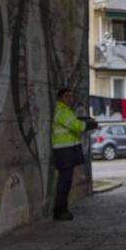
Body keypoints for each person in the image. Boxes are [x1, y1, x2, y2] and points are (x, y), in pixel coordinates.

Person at [51, 87, 86, 221]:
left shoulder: (64, 110)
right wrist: (87, 124)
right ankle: (60, 211)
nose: (70, 99)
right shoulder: (62, 111)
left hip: (66, 150)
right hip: (63, 151)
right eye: (67, 97)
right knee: (64, 182)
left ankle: (62, 210)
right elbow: (76, 126)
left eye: (71, 97)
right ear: (60, 98)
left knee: (65, 182)